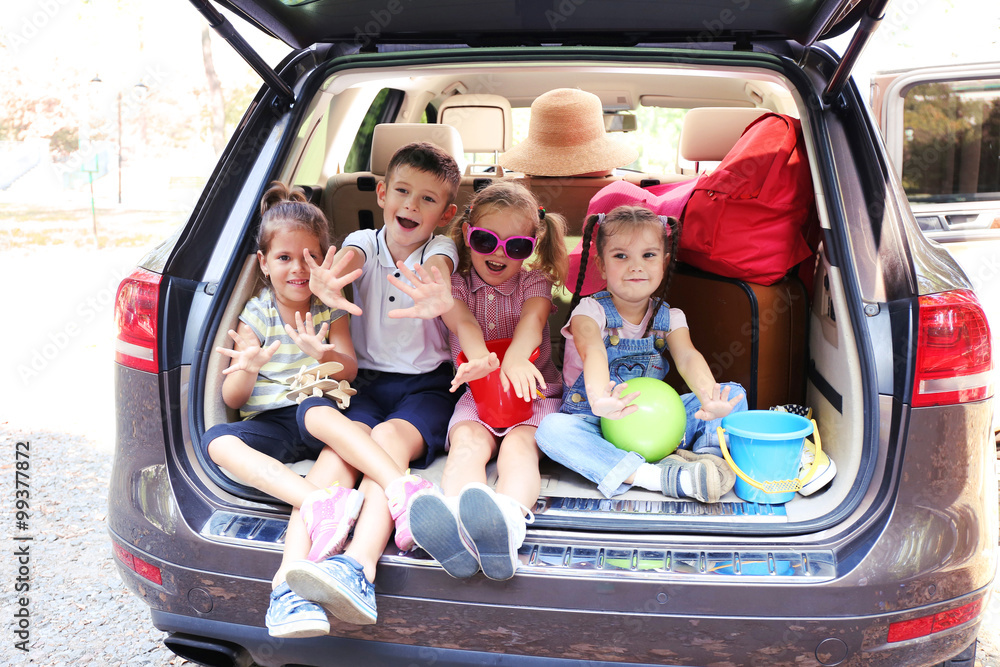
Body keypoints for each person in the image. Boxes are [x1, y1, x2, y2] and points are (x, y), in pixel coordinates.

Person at [282, 141, 463, 626]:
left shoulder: (439, 249)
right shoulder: (364, 240)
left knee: (384, 441)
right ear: (381, 193)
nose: (411, 205)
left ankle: (357, 567)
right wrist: (329, 282)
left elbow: (442, 270)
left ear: (445, 214)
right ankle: (288, 581)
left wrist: (438, 292)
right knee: (337, 454)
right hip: (364, 383)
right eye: (402, 191)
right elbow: (351, 258)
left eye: (428, 200)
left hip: (426, 388)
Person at [201, 182, 365, 639]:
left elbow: (349, 370)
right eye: (284, 258)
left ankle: (317, 510)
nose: (297, 268)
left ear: (324, 259)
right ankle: (316, 502)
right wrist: (248, 369)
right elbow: (234, 400)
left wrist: (321, 354)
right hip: (273, 420)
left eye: (309, 257)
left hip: (318, 410)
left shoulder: (328, 310)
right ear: (263, 264)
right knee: (217, 441)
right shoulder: (255, 314)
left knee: (323, 421)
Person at [408, 181, 569, 581]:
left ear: (531, 247)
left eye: (515, 247)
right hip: (476, 395)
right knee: (466, 446)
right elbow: (462, 321)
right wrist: (482, 360)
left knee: (518, 450)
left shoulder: (534, 281)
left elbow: (533, 321)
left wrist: (514, 357)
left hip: (533, 393)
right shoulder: (457, 284)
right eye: (485, 240)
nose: (499, 253)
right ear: (467, 235)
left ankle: (508, 522)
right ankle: (460, 527)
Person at [535, 205, 744, 502]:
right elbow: (593, 350)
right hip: (596, 421)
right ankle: (655, 476)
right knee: (550, 431)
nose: (636, 266)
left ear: (664, 263)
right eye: (621, 256)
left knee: (732, 394)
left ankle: (706, 461)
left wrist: (710, 397)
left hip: (658, 422)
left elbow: (687, 356)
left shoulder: (670, 317)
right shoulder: (589, 312)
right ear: (602, 265)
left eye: (648, 255)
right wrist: (600, 399)